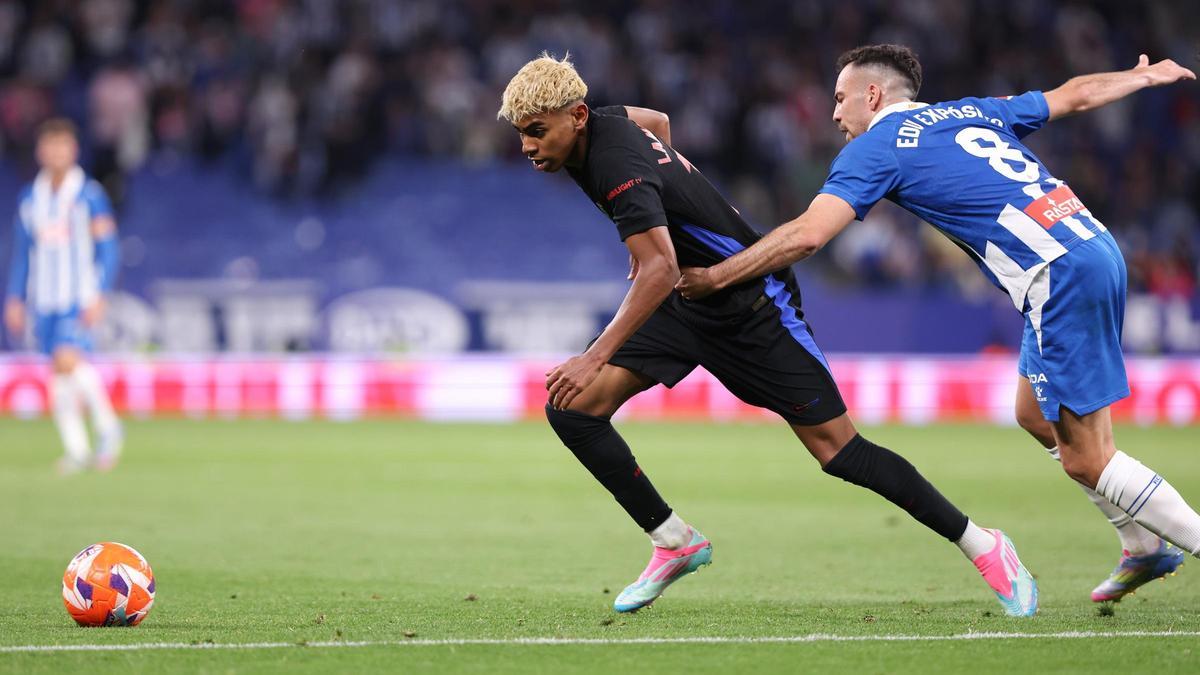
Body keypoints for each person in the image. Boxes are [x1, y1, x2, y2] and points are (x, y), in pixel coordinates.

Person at [498, 53, 1037, 616]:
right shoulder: (607, 123)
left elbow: (656, 266)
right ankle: (674, 541)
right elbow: (656, 121)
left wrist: (597, 349)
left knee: (840, 452)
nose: (528, 147)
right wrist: (664, 224)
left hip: (752, 304)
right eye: (520, 135)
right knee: (574, 409)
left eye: (537, 132)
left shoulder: (612, 164)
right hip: (687, 298)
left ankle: (984, 544)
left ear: (577, 116)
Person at [676, 44, 1198, 604]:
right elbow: (1071, 95)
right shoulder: (968, 110)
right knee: (1034, 414)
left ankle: (1173, 540)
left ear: (872, 95)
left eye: (839, 98)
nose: (833, 114)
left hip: (1055, 271)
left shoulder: (876, 146)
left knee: (1088, 456)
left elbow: (808, 234)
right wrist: (1138, 78)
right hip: (1093, 245)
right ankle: (1141, 545)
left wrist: (718, 277)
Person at [5, 118, 123, 474]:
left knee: (70, 360)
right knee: (58, 376)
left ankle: (108, 427)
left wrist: (100, 293)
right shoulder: (30, 199)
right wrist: (14, 297)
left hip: (78, 294)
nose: (56, 152)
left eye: (63, 146)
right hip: (44, 298)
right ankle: (77, 450)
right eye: (50, 145)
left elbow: (109, 247)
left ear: (73, 151)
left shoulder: (89, 195)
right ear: (41, 151)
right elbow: (22, 253)